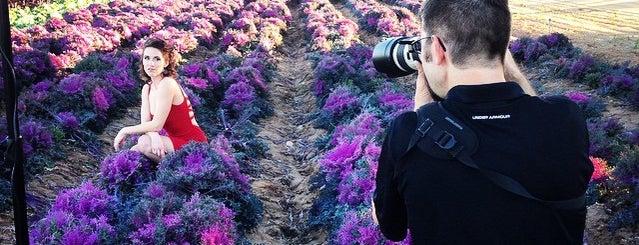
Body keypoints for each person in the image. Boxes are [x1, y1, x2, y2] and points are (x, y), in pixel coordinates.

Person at [373, 0, 593, 244]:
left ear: (436, 48)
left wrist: (424, 121)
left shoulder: (406, 133)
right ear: (504, 47)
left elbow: (391, 227)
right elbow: (534, 115)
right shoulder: (566, 117)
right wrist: (509, 68)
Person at [113, 37, 207, 162]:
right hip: (176, 141)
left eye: (157, 59)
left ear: (166, 62)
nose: (151, 63)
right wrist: (154, 136)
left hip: (194, 143)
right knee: (134, 150)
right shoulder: (147, 88)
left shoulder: (167, 84)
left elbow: (156, 125)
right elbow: (146, 124)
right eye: (147, 58)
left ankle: (177, 172)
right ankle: (164, 174)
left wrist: (124, 130)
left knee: (144, 143)